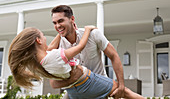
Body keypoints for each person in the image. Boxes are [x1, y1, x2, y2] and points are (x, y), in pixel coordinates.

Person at [8, 27, 145, 99]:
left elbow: (49, 50)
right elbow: (79, 47)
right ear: (38, 41)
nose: (45, 39)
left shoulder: (38, 64)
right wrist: (88, 29)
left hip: (74, 88)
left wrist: (60, 33)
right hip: (88, 80)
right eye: (43, 36)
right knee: (123, 91)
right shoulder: (56, 56)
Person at [49, 5, 125, 99]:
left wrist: (121, 85)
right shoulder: (57, 45)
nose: (57, 26)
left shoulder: (93, 34)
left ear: (72, 19)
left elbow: (113, 56)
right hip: (75, 89)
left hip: (98, 89)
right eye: (54, 23)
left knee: (127, 93)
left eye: (60, 21)